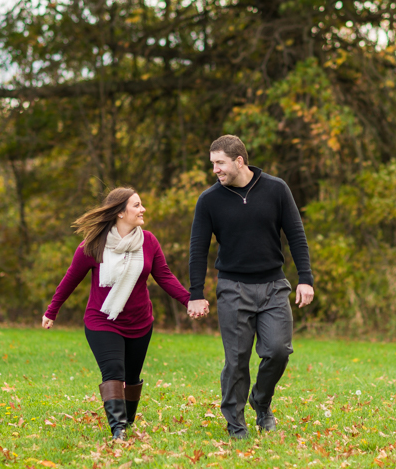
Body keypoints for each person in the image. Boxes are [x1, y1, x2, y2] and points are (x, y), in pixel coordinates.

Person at [187, 135, 314, 439]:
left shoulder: (276, 189)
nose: (215, 169)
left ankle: (261, 400)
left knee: (279, 351)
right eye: (212, 164)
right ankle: (235, 423)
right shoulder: (209, 200)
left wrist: (305, 278)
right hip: (233, 288)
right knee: (237, 359)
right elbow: (197, 249)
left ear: (239, 161)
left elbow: (296, 235)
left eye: (220, 163)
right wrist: (195, 293)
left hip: (273, 286)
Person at [42, 187, 193, 441]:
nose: (142, 209)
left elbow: (164, 276)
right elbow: (71, 279)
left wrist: (189, 300)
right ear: (121, 212)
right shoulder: (93, 246)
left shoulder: (149, 242)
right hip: (102, 320)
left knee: (132, 378)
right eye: (137, 205)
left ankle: (128, 421)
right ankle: (118, 429)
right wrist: (52, 311)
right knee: (113, 371)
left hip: (140, 322)